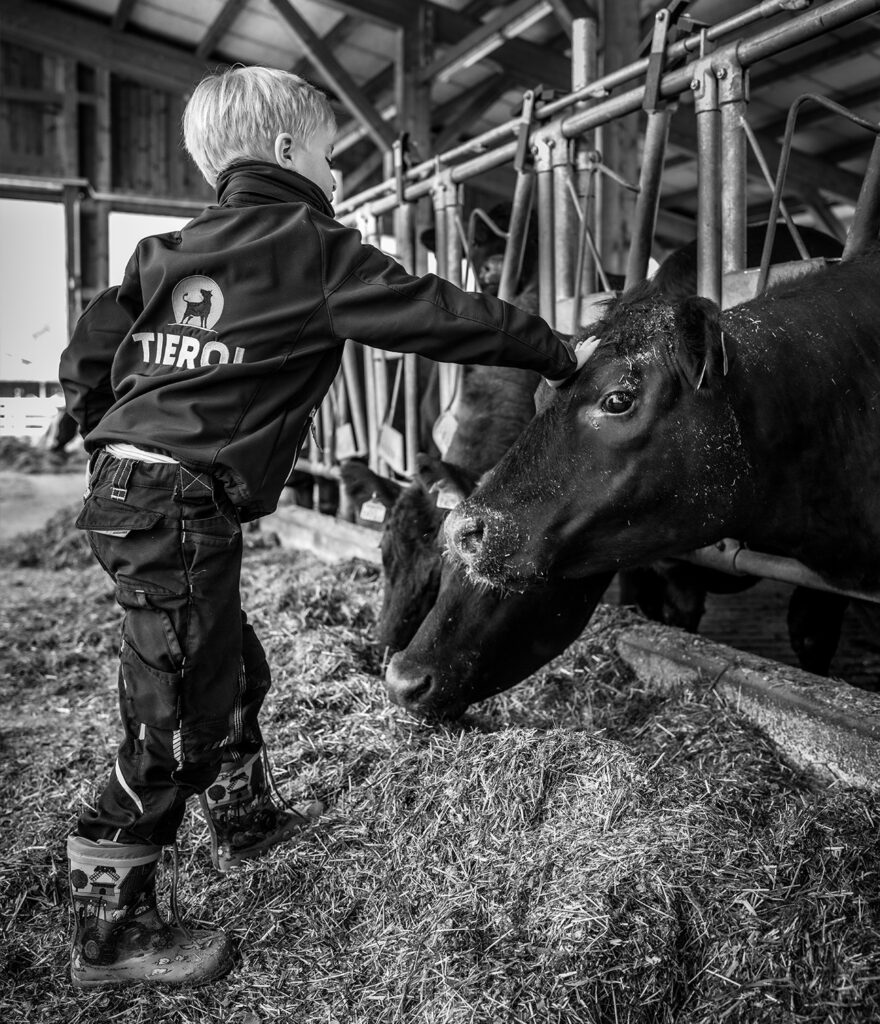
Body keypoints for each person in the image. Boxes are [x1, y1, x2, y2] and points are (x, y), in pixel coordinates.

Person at [58, 65, 582, 990]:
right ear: (293, 153)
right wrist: (551, 349)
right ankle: (111, 933)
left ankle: (248, 820)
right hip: (178, 503)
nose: (338, 173)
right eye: (334, 155)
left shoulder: (163, 251)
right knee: (177, 720)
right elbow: (437, 314)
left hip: (129, 494)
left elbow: (89, 352)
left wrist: (105, 425)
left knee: (227, 665)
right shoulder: (313, 246)